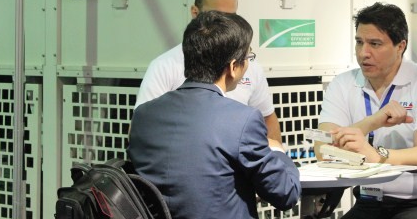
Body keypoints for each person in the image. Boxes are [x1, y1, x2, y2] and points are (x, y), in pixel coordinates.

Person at [128, 11, 301, 218]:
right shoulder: (242, 120)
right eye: (248, 57)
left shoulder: (144, 115)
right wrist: (277, 150)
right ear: (233, 67)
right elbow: (286, 194)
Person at [316, 2, 417, 219]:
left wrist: (376, 155)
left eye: (375, 44)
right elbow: (323, 150)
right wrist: (373, 121)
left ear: (400, 46)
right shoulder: (343, 84)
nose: (363, 53)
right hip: (370, 202)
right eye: (359, 42)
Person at [135, 0, 282, 142]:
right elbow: (142, 127)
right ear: (195, 13)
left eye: (231, 17)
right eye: (216, 16)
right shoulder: (164, 66)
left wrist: (275, 153)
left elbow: (268, 119)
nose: (225, 25)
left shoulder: (249, 64)